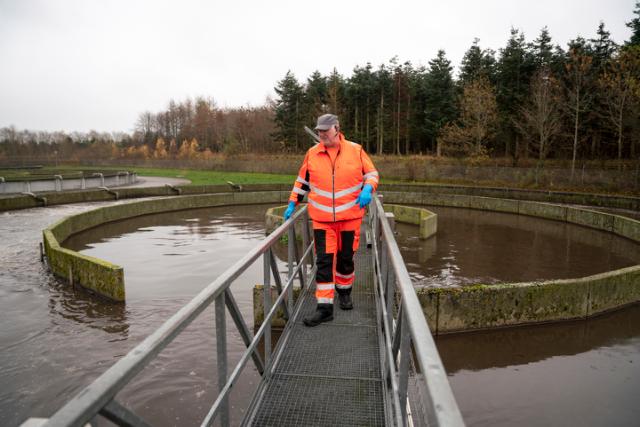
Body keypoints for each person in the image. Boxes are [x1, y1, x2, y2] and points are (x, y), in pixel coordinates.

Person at [284, 114, 379, 327]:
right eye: (319, 131)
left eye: (325, 130)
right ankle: (324, 308)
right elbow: (302, 183)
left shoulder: (356, 150)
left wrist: (368, 189)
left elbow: (372, 174)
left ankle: (344, 293)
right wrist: (293, 202)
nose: (321, 134)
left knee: (346, 259)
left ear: (337, 128)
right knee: (324, 263)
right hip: (322, 220)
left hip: (350, 218)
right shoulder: (312, 154)